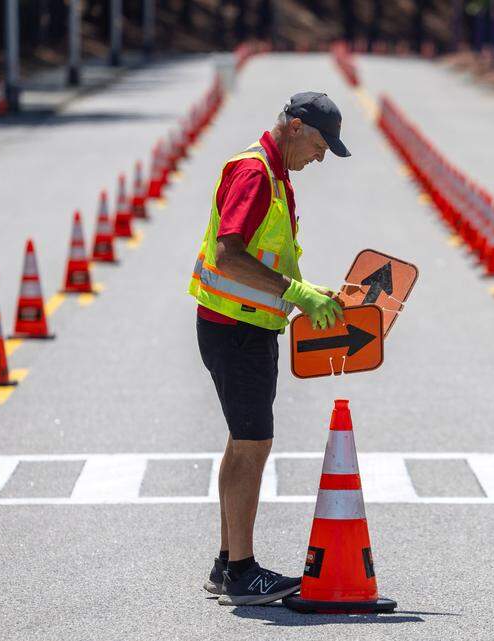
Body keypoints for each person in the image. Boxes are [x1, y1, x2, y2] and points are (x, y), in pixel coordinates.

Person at [187, 92, 350, 606]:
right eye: (323, 145)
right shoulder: (258, 173)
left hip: (241, 326)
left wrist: (308, 289)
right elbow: (228, 255)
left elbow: (264, 257)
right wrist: (294, 292)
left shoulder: (275, 176)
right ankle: (241, 571)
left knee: (243, 442)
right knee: (252, 444)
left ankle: (225, 562)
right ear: (297, 128)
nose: (322, 157)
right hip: (237, 330)